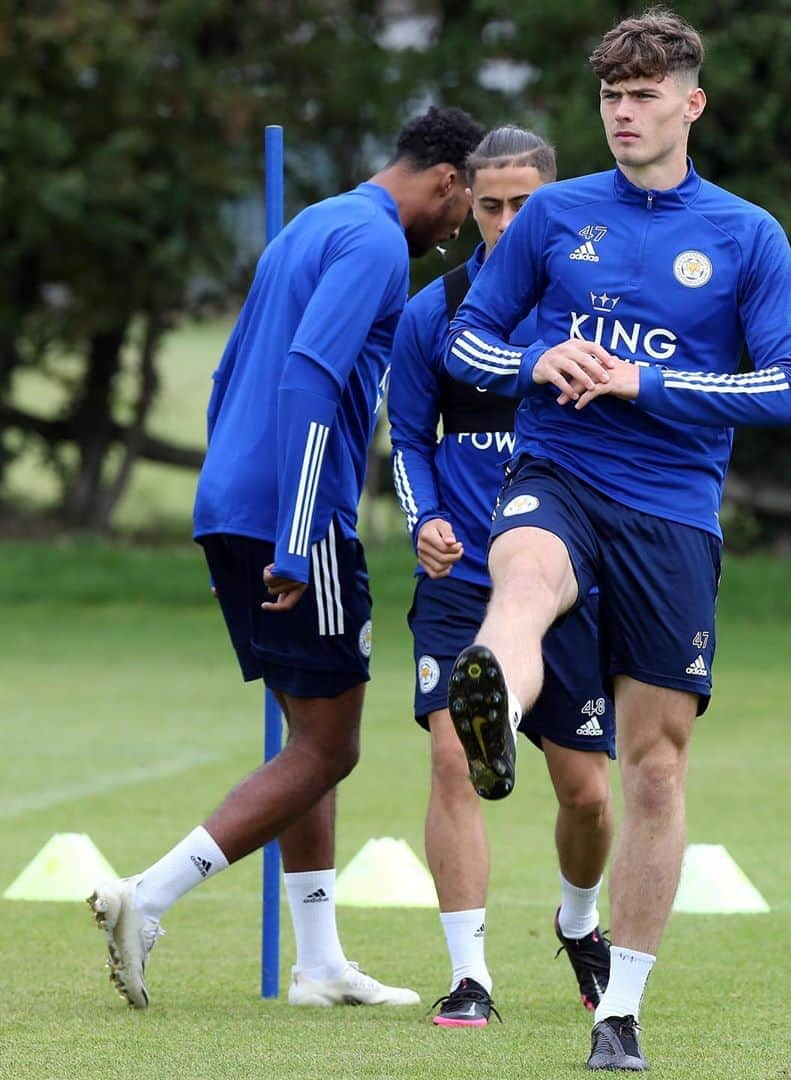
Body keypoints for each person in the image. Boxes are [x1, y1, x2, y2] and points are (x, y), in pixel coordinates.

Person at [443, 10, 791, 1071]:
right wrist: (536, 362)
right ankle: (495, 707)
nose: (624, 111)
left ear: (690, 105)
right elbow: (471, 338)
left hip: (672, 512)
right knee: (520, 580)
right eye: (611, 95)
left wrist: (642, 378)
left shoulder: (748, 235)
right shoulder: (553, 217)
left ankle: (621, 1009)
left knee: (654, 769)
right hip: (558, 471)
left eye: (645, 94)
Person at [87, 106, 486, 1011]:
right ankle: (146, 897)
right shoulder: (378, 247)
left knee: (310, 738)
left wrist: (239, 492)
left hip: (230, 502)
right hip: (292, 519)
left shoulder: (311, 223)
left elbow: (229, 373)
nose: (457, 232)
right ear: (447, 180)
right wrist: (300, 533)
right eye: (465, 208)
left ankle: (317, 964)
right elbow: (310, 374)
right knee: (332, 747)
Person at [388, 126, 615, 1028]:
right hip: (463, 580)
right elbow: (407, 438)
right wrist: (427, 521)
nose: (508, 221)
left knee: (588, 793)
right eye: (490, 206)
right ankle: (471, 975)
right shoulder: (433, 313)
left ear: (554, 205)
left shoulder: (590, 311)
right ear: (468, 206)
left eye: (526, 205)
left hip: (566, 576)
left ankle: (579, 919)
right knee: (454, 756)